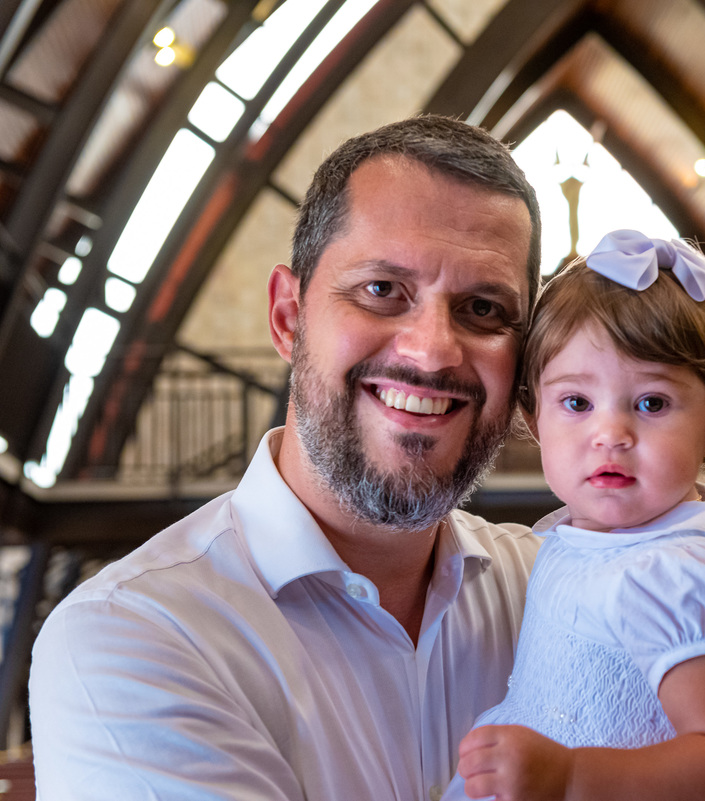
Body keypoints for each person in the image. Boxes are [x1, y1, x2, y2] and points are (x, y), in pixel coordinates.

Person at [29, 115, 546, 799]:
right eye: (382, 290)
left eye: (482, 308)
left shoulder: (554, 590)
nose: (431, 353)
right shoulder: (132, 633)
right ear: (288, 317)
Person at [443, 230, 705, 801]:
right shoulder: (579, 540)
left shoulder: (684, 573)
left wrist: (569, 776)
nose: (610, 433)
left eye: (651, 403)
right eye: (577, 402)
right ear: (535, 419)